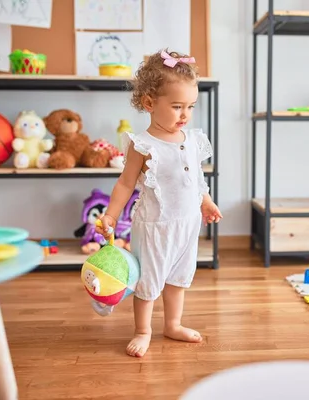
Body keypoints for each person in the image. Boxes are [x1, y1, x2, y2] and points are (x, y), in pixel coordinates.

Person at [96, 49, 222, 358]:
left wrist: (205, 201)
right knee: (149, 280)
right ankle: (143, 330)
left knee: (179, 276)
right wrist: (112, 215)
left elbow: (195, 177)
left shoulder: (191, 139)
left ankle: (173, 324)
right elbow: (126, 183)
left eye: (190, 106)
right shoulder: (143, 145)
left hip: (187, 223)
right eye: (177, 106)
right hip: (155, 227)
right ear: (150, 103)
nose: (185, 115)